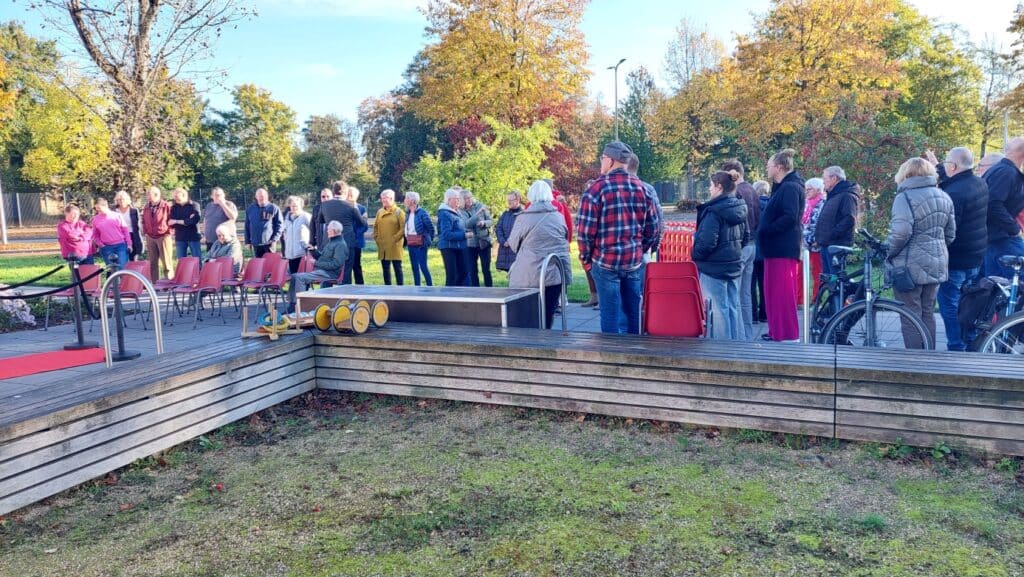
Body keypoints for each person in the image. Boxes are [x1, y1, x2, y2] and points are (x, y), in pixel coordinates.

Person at [577, 141, 660, 334]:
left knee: (610, 314)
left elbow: (585, 233)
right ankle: (632, 351)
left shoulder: (596, 190)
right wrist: (639, 249)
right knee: (632, 313)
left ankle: (611, 351)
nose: (601, 161)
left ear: (611, 160)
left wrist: (586, 259)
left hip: (605, 262)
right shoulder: (643, 189)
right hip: (633, 261)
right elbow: (653, 229)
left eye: (603, 158)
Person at [886, 157, 955, 349]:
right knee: (927, 312)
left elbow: (901, 233)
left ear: (905, 173)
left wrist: (888, 252)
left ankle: (914, 360)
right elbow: (950, 234)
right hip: (937, 263)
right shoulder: (944, 196)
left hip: (908, 266)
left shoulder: (905, 197)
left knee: (910, 315)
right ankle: (928, 356)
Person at [926, 147, 988, 351]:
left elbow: (949, 230)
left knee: (950, 304)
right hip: (975, 256)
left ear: (953, 166)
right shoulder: (979, 183)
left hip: (955, 259)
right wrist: (938, 165)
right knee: (968, 303)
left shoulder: (953, 193)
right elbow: (954, 181)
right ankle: (970, 341)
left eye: (946, 164)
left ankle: (956, 345)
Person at [508, 180, 572, 329]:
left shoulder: (523, 217)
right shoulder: (558, 216)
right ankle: (546, 338)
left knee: (529, 316)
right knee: (548, 313)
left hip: (528, 274)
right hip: (555, 272)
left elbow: (513, 244)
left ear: (531, 195)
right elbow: (565, 238)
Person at [693, 170, 749, 340]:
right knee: (733, 307)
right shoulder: (739, 207)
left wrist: (695, 254)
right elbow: (745, 237)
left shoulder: (713, 211)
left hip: (713, 267)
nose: (709, 189)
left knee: (717, 311)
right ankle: (737, 345)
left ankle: (721, 349)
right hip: (733, 264)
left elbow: (707, 242)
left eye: (711, 185)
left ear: (719, 187)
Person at [759, 149, 805, 343]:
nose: (767, 168)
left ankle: (787, 333)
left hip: (782, 247)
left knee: (782, 292)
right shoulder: (783, 187)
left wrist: (768, 229)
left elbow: (790, 216)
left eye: (769, 165)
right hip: (776, 248)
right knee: (774, 292)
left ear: (778, 167)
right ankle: (777, 330)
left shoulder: (790, 187)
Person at [721, 160, 760, 340]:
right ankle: (748, 334)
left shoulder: (737, 192)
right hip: (752, 244)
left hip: (740, 245)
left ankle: (739, 337)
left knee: (734, 293)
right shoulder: (751, 189)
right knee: (746, 294)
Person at [983, 137, 1024, 279]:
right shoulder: (1006, 173)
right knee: (1018, 280)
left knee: (995, 284)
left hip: (995, 237)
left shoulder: (998, 170)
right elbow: (993, 204)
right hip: (1003, 238)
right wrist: (1013, 229)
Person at [815, 166, 861, 292]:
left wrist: (831, 235)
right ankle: (833, 302)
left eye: (825, 178)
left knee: (836, 280)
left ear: (834, 178)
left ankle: (841, 302)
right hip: (827, 244)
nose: (823, 182)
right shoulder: (834, 195)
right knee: (829, 280)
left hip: (837, 245)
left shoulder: (847, 195)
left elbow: (849, 219)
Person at [287, 220, 349, 310]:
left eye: (328, 229)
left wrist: (316, 263)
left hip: (329, 274)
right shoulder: (332, 242)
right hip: (322, 271)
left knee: (300, 278)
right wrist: (313, 250)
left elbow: (336, 264)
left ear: (334, 231)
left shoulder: (340, 245)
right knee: (295, 276)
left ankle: (299, 307)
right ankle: (292, 305)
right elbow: (321, 257)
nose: (327, 231)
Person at [317, 180, 366, 284]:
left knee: (327, 271)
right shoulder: (351, 205)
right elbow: (362, 223)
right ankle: (344, 292)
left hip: (329, 242)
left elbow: (320, 220)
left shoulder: (325, 205)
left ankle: (325, 293)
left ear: (333, 191)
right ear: (345, 191)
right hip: (347, 242)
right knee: (346, 271)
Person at [460, 189, 494, 287]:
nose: (469, 199)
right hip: (470, 244)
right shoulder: (461, 211)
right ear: (462, 200)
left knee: (486, 269)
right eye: (466, 198)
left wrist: (484, 223)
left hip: (484, 241)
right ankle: (476, 290)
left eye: (470, 197)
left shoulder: (480, 205)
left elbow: (491, 221)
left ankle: (489, 289)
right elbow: (466, 224)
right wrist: (478, 213)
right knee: (472, 270)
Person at [800, 177, 826, 303]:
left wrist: (819, 239)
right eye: (806, 189)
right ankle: (799, 299)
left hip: (817, 243)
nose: (806, 191)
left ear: (818, 190)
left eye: (809, 189)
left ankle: (816, 299)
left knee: (817, 273)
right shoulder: (805, 203)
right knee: (800, 272)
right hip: (803, 242)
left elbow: (824, 223)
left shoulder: (824, 203)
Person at [437, 187, 469, 286]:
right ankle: (449, 294)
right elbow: (447, 234)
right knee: (452, 276)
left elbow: (458, 227)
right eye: (456, 199)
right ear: (449, 199)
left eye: (459, 199)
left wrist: (466, 231)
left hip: (459, 247)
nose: (458, 201)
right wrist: (464, 235)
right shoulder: (444, 213)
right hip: (448, 247)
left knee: (464, 272)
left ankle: (457, 293)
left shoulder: (457, 212)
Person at [373, 189, 406, 285]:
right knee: (385, 268)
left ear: (391, 198)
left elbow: (403, 228)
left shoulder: (399, 212)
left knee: (397, 268)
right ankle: (387, 288)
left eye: (385, 198)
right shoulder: (379, 212)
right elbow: (375, 226)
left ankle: (400, 288)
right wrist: (376, 237)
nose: (383, 200)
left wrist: (394, 239)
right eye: (382, 198)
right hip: (382, 245)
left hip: (395, 245)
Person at [403, 190, 435, 286]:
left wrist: (428, 240)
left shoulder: (422, 212)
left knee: (423, 266)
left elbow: (431, 228)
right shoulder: (407, 213)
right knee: (414, 267)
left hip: (421, 244)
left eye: (407, 198)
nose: (405, 200)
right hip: (411, 243)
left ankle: (430, 286)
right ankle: (417, 287)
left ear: (412, 200)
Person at [142, 186, 174, 281]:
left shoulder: (166, 205)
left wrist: (168, 232)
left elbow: (171, 219)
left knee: (166, 262)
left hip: (163, 236)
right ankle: (155, 284)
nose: (147, 196)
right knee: (153, 262)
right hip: (150, 237)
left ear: (156, 194)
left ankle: (169, 282)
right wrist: (146, 232)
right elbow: (144, 220)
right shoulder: (146, 206)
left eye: (148, 194)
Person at [91, 198, 131, 269]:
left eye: (99, 208)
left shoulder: (117, 216)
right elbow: (95, 235)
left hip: (120, 246)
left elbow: (125, 231)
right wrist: (101, 244)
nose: (98, 210)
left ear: (105, 206)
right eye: (96, 208)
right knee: (112, 269)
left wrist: (129, 244)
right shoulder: (95, 219)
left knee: (122, 268)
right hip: (106, 247)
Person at [751, 180, 771, 323]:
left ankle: (753, 314)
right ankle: (765, 313)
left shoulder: (752, 205)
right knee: (765, 284)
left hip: (753, 247)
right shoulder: (772, 205)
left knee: (750, 284)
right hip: (766, 249)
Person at [244, 187, 283, 258]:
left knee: (270, 263)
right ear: (256, 197)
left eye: (263, 196)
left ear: (267, 196)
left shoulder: (274, 208)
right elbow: (247, 226)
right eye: (260, 196)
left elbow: (280, 226)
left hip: (269, 243)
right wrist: (247, 241)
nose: (262, 198)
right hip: (256, 244)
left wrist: (274, 240)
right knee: (258, 263)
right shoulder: (250, 209)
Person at [495, 191, 525, 275]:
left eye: (511, 200)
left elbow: (523, 232)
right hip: (505, 250)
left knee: (518, 275)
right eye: (508, 200)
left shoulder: (524, 214)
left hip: (517, 251)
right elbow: (498, 229)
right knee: (509, 276)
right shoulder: (505, 214)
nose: (509, 202)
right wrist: (503, 241)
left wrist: (512, 242)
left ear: (518, 199)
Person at [169, 187, 202, 261]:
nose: (175, 199)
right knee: (181, 261)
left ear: (184, 195)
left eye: (177, 197)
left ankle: (198, 269)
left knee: (197, 260)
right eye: (174, 197)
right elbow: (171, 223)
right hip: (180, 237)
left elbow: (194, 221)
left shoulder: (194, 205)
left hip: (193, 236)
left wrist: (176, 221)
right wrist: (186, 221)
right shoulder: (174, 208)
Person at [281, 195, 311, 274]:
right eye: (292, 206)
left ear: (301, 206)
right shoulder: (286, 219)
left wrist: (311, 245)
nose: (294, 208)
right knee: (293, 276)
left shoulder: (306, 217)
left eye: (296, 206)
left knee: (302, 277)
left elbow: (314, 231)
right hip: (290, 254)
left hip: (302, 254)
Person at [203, 187, 238, 252]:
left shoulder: (229, 204)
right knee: (211, 258)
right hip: (210, 240)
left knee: (225, 258)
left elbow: (233, 217)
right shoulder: (209, 206)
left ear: (224, 195)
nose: (218, 197)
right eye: (216, 195)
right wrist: (205, 235)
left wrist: (223, 204)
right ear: (212, 196)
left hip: (224, 240)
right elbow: (205, 221)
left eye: (220, 195)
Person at [112, 191, 143, 261]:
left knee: (133, 256)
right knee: (121, 257)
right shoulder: (114, 211)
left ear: (127, 200)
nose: (121, 201)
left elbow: (138, 225)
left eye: (123, 199)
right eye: (119, 199)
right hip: (119, 236)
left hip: (132, 235)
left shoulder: (134, 211)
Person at [348, 186, 369, 285]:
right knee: (346, 267)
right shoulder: (343, 207)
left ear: (356, 197)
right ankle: (346, 286)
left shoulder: (362, 209)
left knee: (356, 265)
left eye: (351, 195)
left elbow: (364, 226)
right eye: (348, 194)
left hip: (357, 242)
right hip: (345, 242)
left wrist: (354, 235)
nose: (349, 197)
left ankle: (360, 286)